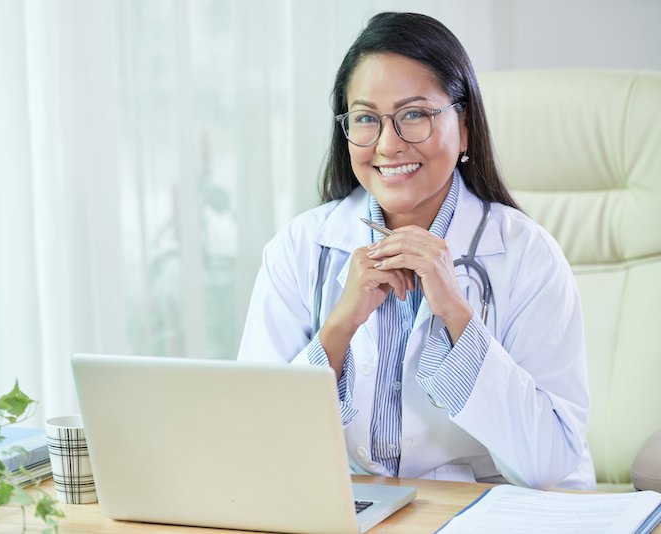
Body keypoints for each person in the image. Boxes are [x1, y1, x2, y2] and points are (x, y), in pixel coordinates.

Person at [237, 12, 595, 490]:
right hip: (354, 513)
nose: (388, 144)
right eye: (366, 119)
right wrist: (340, 326)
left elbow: (551, 460)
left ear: (463, 126)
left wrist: (456, 314)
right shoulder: (299, 249)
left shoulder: (527, 255)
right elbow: (252, 442)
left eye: (414, 115)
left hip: (489, 512)